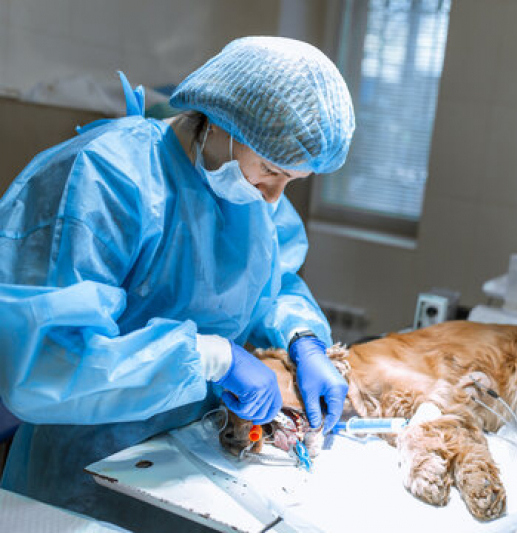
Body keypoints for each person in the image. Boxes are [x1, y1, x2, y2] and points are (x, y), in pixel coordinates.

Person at [0, 36, 354, 530]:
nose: (275, 196)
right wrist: (212, 358)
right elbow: (46, 363)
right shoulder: (106, 178)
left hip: (189, 470)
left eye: (292, 181)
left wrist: (304, 338)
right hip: (79, 483)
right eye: (272, 171)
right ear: (225, 121)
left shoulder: (248, 188)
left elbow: (275, 279)